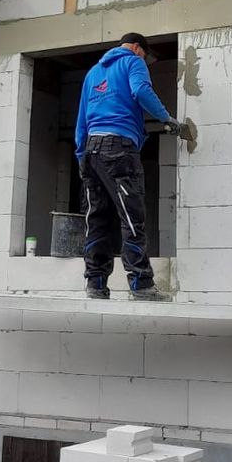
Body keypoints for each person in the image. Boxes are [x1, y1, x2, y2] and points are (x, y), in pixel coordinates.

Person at [75, 32, 181, 300]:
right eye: (145, 55)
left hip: (91, 151)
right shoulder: (133, 61)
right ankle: (141, 284)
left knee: (96, 218)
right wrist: (167, 118)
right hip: (118, 148)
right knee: (131, 216)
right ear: (136, 47)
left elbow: (81, 121)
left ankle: (96, 285)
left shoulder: (93, 73)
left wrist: (81, 156)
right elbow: (141, 90)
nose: (144, 60)